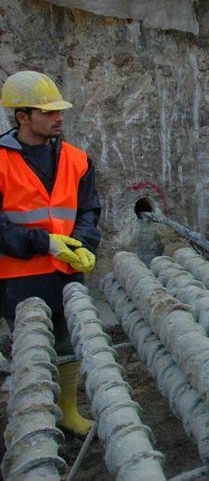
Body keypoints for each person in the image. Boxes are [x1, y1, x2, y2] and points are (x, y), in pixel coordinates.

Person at [0, 70, 101, 436]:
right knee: (33, 351)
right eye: (48, 112)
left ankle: (69, 412)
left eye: (60, 110)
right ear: (23, 117)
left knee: (67, 343)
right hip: (19, 276)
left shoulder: (77, 158)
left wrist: (84, 244)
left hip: (66, 270)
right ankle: (35, 423)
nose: (59, 117)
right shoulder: (0, 160)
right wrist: (45, 243)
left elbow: (89, 209)